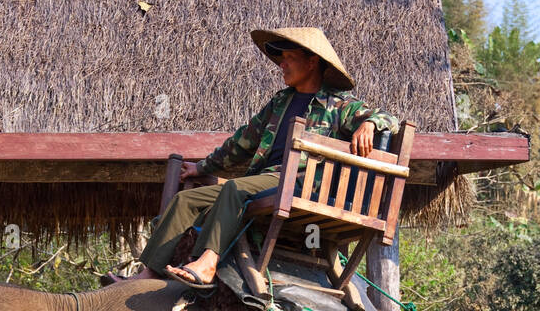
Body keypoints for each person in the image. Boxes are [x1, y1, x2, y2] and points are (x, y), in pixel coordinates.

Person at [134, 26, 399, 287]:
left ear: (311, 61)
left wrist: (370, 124)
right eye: (280, 60)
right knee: (186, 200)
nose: (281, 65)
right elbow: (240, 143)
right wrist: (202, 167)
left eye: (289, 58)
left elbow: (389, 118)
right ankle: (150, 272)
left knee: (235, 188)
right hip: (269, 180)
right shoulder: (280, 102)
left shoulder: (339, 105)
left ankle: (207, 262)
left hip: (301, 186)